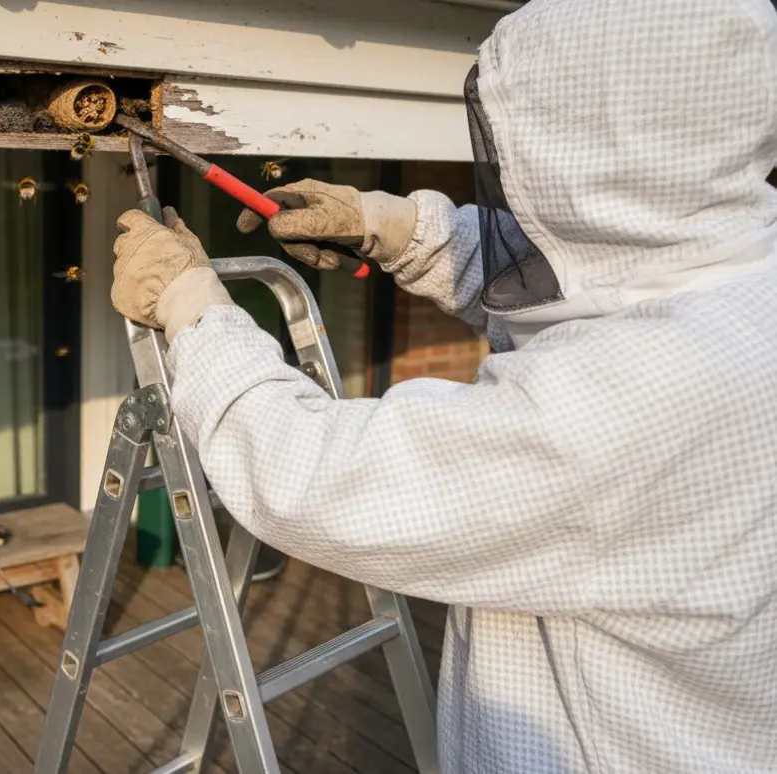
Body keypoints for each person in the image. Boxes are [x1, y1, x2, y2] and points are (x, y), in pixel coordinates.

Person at [108, 0, 777, 771]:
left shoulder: (643, 397)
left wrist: (194, 308)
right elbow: (589, 278)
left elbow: (319, 479)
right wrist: (397, 228)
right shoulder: (736, 275)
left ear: (590, 144)